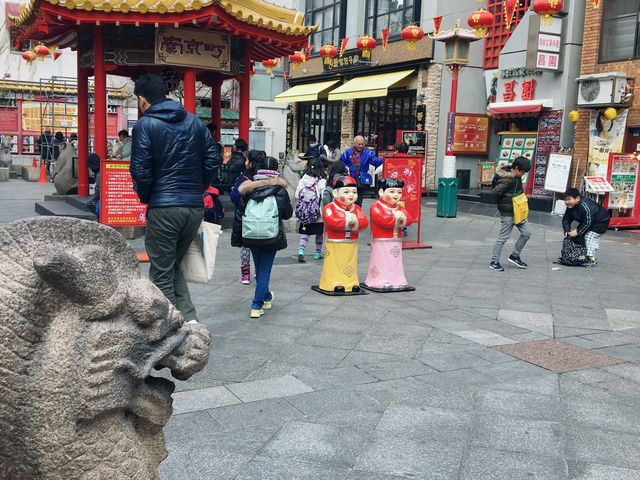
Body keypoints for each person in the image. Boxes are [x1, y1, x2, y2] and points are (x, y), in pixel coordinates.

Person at [130, 73, 219, 324]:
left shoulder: (146, 125)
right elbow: (213, 158)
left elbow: (140, 170)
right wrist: (198, 187)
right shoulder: (194, 122)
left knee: (160, 272)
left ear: (142, 99)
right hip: (193, 207)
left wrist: (148, 196)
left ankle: (169, 332)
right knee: (172, 266)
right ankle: (190, 321)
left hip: (164, 207)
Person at [231, 156, 292, 318]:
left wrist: (237, 238)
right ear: (275, 171)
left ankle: (266, 297)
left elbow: (239, 216)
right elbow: (287, 214)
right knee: (264, 271)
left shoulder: (247, 189)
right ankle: (256, 305)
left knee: (259, 268)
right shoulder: (280, 190)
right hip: (271, 235)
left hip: (250, 235)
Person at [317, 175, 368, 294]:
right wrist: (348, 221)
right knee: (334, 263)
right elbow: (331, 221)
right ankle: (333, 281)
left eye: (354, 192)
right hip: (335, 242)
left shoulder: (356, 208)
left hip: (351, 242)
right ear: (335, 193)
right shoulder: (329, 208)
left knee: (350, 262)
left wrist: (354, 221)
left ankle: (351, 282)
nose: (351, 195)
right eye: (346, 192)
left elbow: (364, 222)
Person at [364, 177, 413, 291]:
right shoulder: (376, 207)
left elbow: (409, 219)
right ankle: (379, 280)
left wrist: (400, 218)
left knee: (395, 262)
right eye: (391, 192)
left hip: (395, 240)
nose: (396, 195)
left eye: (399, 192)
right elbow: (384, 220)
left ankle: (398, 280)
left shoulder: (399, 207)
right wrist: (397, 217)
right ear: (381, 192)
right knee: (382, 260)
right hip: (381, 240)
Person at [488, 156, 532, 271]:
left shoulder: (516, 176)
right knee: (503, 237)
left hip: (519, 210)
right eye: (522, 172)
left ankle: (515, 256)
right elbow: (493, 194)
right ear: (516, 168)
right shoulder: (507, 178)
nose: (523, 174)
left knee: (527, 232)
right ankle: (494, 261)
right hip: (508, 212)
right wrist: (503, 204)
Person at [230, 149, 263, 284]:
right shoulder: (264, 178)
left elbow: (234, 197)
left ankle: (245, 275)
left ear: (250, 162)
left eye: (247, 159)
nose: (245, 162)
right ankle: (258, 272)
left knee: (245, 245)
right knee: (259, 244)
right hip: (261, 217)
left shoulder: (244, 179)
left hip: (245, 215)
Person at [562, 188, 611, 267]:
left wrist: (578, 231)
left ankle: (591, 259)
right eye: (565, 200)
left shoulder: (585, 205)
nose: (567, 202)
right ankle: (580, 256)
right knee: (579, 237)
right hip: (588, 221)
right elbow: (566, 219)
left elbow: (588, 222)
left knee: (589, 237)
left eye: (569, 199)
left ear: (577, 198)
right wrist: (567, 231)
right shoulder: (570, 207)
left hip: (601, 221)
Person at [295, 158, 326, 262]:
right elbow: (323, 196)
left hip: (305, 213)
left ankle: (301, 251)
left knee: (306, 233)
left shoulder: (302, 180)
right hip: (317, 212)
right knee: (319, 233)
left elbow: (297, 195)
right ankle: (317, 253)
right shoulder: (321, 181)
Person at [339, 135, 383, 206]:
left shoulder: (368, 153)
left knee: (358, 199)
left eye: (362, 144)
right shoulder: (348, 152)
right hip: (350, 179)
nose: (361, 146)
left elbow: (375, 161)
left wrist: (385, 160)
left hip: (361, 180)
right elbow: (341, 163)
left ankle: (357, 212)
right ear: (354, 143)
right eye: (359, 144)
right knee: (349, 199)